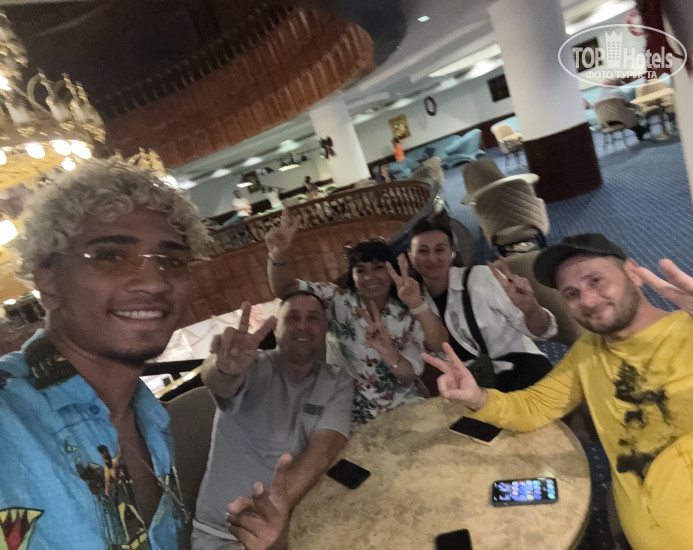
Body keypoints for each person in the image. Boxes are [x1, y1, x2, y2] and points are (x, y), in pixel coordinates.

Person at [0, 158, 287, 550]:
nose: (154, 282)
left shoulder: (149, 420)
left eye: (171, 261)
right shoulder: (11, 420)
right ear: (47, 281)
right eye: (110, 256)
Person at [424, 233, 693, 550]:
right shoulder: (588, 351)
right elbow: (534, 406)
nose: (587, 300)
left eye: (596, 281)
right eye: (571, 293)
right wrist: (477, 396)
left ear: (633, 273)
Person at [192, 294, 352, 549]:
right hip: (221, 535)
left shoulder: (336, 379)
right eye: (292, 318)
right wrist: (223, 368)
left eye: (312, 318)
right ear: (276, 329)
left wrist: (271, 519)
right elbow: (220, 381)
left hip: (290, 527)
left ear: (326, 328)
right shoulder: (253, 366)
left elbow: (324, 450)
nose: (302, 326)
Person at [265, 209, 448, 425]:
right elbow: (286, 289)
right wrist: (278, 255)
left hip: (401, 405)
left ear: (392, 272)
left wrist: (390, 351)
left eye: (378, 268)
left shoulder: (406, 311)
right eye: (360, 270)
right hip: (348, 412)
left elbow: (412, 373)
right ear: (352, 276)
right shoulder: (336, 299)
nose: (369, 276)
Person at [409, 215, 557, 391]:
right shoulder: (413, 302)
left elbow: (542, 332)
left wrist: (530, 307)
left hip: (520, 367)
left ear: (452, 253)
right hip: (473, 385)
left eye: (439, 250)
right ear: (411, 256)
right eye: (423, 251)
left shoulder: (481, 278)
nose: (432, 258)